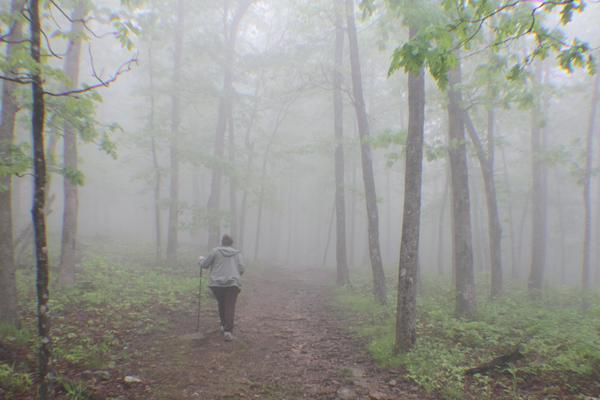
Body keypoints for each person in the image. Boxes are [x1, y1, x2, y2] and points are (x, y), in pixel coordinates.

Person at [198, 234, 245, 341]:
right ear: (231, 243)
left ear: (222, 242)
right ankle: (228, 331)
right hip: (233, 284)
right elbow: (242, 269)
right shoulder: (237, 254)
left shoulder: (215, 251)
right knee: (230, 306)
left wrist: (200, 260)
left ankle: (223, 325)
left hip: (217, 284)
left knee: (221, 303)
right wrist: (235, 274)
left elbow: (205, 265)